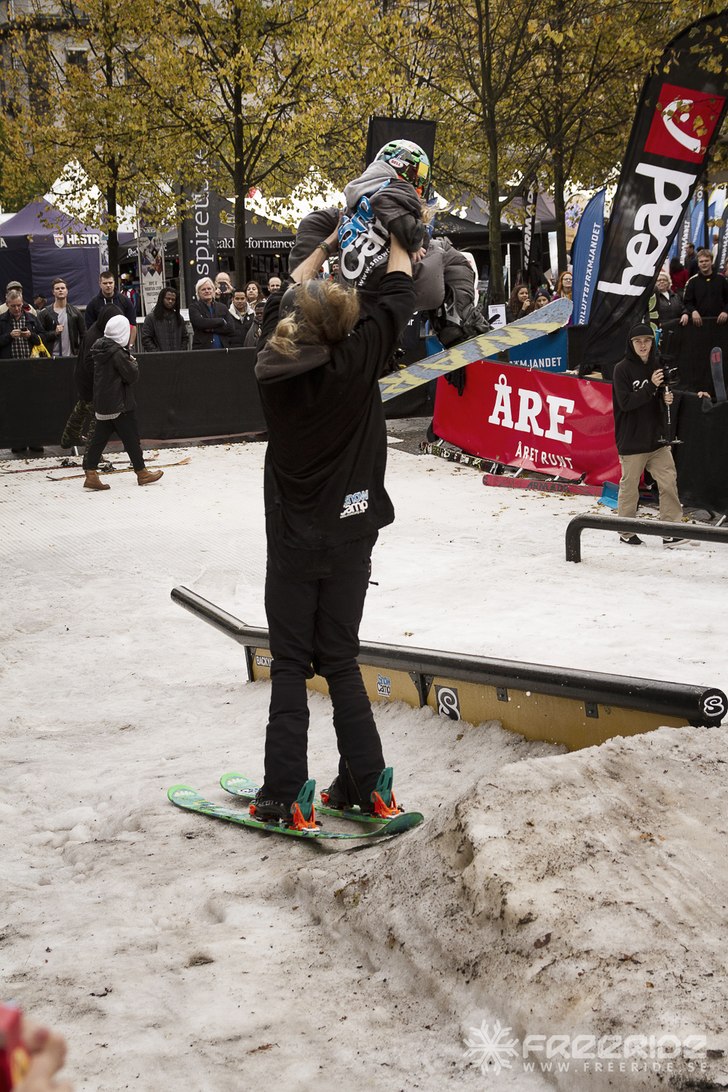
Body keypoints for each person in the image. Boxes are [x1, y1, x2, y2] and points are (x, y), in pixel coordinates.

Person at [250, 226, 416, 827]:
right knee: (341, 660)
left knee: (291, 664)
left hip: (294, 543)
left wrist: (318, 252)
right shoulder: (357, 361)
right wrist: (397, 235)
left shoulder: (272, 372)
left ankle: (284, 790)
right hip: (351, 535)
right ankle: (369, 784)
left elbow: (279, 302)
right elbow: (397, 298)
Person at [612, 323, 693, 549]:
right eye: (638, 341)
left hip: (656, 439)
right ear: (631, 344)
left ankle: (670, 530)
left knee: (668, 482)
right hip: (632, 439)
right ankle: (626, 531)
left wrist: (664, 397)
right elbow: (626, 403)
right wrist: (651, 386)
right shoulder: (622, 369)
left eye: (647, 340)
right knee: (629, 488)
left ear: (653, 342)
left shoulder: (657, 365)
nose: (643, 345)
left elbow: (655, 395)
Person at [82, 315, 163, 491]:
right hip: (120, 403)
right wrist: (133, 362)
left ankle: (90, 474)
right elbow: (132, 376)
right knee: (132, 439)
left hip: (103, 402)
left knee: (98, 440)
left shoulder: (99, 348)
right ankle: (142, 472)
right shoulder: (117, 352)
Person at [85, 271, 137, 347]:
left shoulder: (125, 301)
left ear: (114, 283)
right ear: (100, 284)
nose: (108, 285)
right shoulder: (93, 304)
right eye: (105, 283)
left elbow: (132, 325)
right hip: (100, 348)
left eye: (110, 283)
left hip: (122, 347)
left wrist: (130, 346)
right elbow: (90, 329)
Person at [38, 279, 86, 358]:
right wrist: (54, 333)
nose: (60, 290)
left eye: (63, 288)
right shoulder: (44, 313)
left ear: (67, 291)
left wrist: (80, 353)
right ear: (53, 292)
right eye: (57, 288)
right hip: (51, 357)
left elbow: (83, 335)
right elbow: (39, 336)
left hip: (71, 357)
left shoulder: (75, 312)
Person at [680, 248, 728, 327]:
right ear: (698, 263)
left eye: (706, 261)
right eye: (701, 261)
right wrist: (693, 311)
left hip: (720, 325)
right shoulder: (692, 281)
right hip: (699, 325)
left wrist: (726, 311)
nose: (704, 263)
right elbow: (687, 302)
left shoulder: (721, 279)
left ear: (711, 262)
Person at [140, 286, 188, 352]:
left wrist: (181, 351)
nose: (170, 301)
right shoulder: (151, 318)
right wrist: (157, 353)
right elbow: (146, 338)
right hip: (158, 359)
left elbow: (185, 337)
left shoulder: (179, 318)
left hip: (177, 358)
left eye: (173, 299)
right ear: (162, 299)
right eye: (168, 298)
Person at [189, 277, 232, 349]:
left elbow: (230, 328)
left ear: (213, 290)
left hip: (223, 350)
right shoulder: (194, 307)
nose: (207, 291)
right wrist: (221, 321)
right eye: (203, 289)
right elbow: (200, 323)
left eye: (209, 288)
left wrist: (212, 329)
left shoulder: (222, 307)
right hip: (203, 350)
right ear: (198, 292)